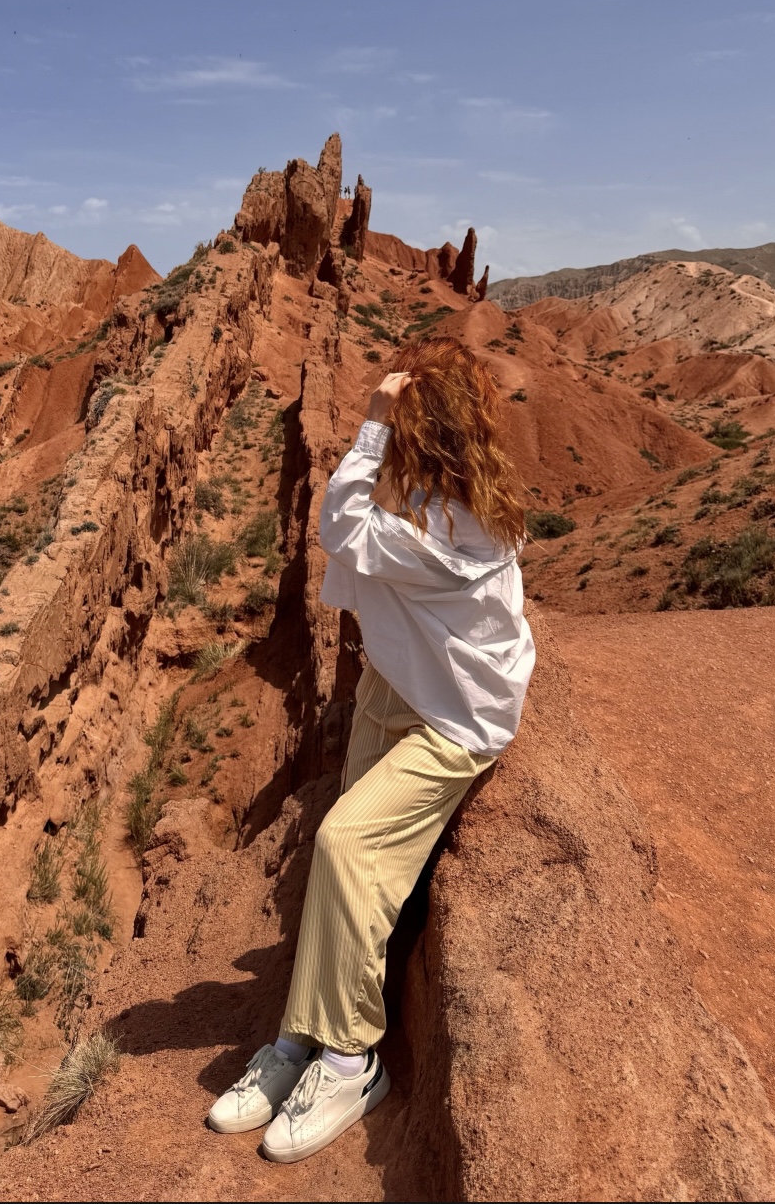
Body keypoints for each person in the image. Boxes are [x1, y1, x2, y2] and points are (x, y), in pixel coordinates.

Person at [207, 335, 535, 1163]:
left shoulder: (442, 527)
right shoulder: (446, 490)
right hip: (404, 682)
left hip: (456, 715)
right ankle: (296, 1041)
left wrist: (368, 424)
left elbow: (341, 527)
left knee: (345, 844)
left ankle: (350, 1061)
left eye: (404, 429)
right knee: (349, 871)